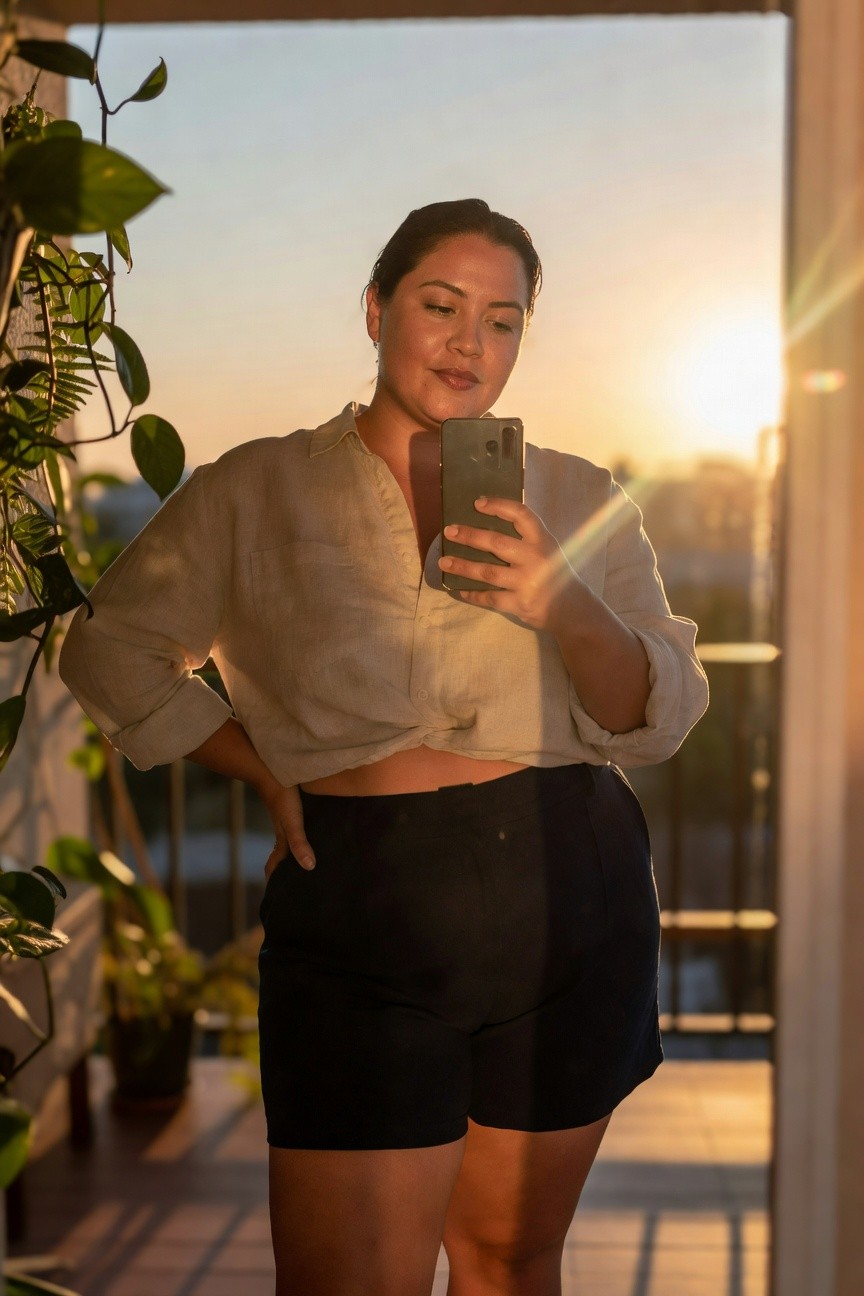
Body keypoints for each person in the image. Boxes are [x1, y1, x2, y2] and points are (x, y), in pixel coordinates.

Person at [59, 198, 708, 1296]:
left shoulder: (583, 495)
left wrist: (564, 602)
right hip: (358, 902)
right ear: (375, 309)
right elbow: (113, 656)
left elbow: (661, 709)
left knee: (509, 1264)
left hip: (569, 891)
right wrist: (264, 765)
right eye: (440, 305)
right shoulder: (249, 490)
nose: (470, 342)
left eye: (503, 320)